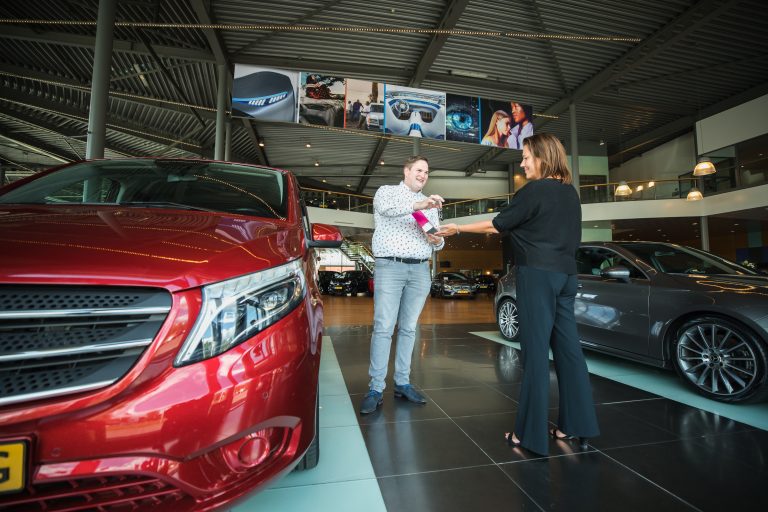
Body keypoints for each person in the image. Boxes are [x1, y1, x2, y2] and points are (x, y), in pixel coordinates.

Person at [436, 133, 599, 455]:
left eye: (526, 157)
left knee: (536, 355)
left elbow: (497, 225)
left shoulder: (534, 190)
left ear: (543, 157)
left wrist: (457, 228)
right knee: (569, 353)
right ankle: (575, 426)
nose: (522, 163)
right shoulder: (571, 194)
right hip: (566, 276)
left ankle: (530, 436)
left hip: (537, 275)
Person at [359, 155, 445, 414]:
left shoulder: (430, 205)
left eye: (427, 171)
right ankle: (375, 387)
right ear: (406, 171)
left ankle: (402, 383)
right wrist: (420, 204)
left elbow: (437, 239)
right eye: (419, 170)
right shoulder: (387, 193)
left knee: (408, 329)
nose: (423, 175)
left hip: (420, 270)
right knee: (384, 327)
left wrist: (437, 241)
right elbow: (389, 211)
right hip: (391, 267)